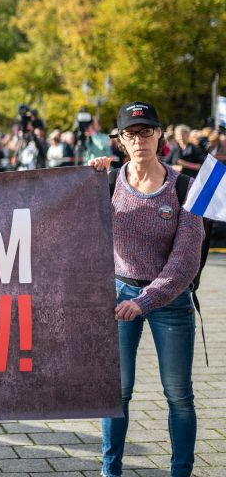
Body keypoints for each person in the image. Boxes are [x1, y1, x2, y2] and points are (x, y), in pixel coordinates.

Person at [89, 101, 203, 477]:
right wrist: (85, 184)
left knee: (179, 396)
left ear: (160, 135)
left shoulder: (184, 187)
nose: (140, 140)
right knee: (116, 394)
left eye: (147, 131)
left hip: (170, 301)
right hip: (119, 296)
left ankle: (180, 472)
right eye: (131, 133)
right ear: (119, 140)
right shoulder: (107, 183)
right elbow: (74, 229)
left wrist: (146, 300)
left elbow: (185, 260)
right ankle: (111, 471)